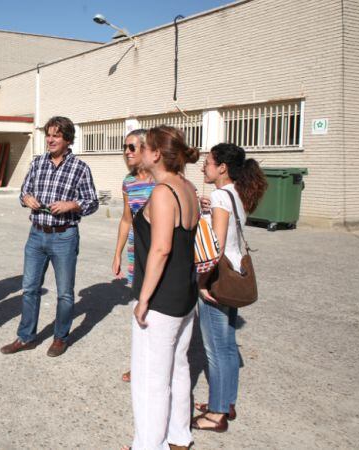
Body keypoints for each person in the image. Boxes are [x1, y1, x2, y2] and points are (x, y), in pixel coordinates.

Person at [123, 125, 200, 450]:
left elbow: (161, 248)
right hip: (185, 295)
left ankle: (148, 445)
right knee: (178, 368)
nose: (138, 152)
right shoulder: (188, 187)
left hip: (162, 299)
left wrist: (143, 299)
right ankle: (179, 436)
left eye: (144, 147)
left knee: (149, 380)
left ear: (155, 154)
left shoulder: (163, 192)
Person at [0, 116, 98, 358]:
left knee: (64, 292)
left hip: (64, 236)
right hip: (36, 236)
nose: (51, 139)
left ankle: (60, 338)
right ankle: (26, 337)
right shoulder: (37, 163)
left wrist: (72, 205)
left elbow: (93, 202)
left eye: (56, 135)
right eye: (49, 135)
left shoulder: (80, 168)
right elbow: (24, 191)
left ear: (67, 139)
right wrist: (26, 199)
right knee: (30, 288)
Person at [192, 143, 267, 432]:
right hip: (235, 274)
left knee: (217, 350)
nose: (203, 167)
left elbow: (216, 248)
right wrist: (210, 208)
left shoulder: (221, 196)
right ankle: (226, 402)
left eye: (208, 163)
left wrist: (201, 282)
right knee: (227, 346)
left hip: (218, 279)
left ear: (222, 167)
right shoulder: (235, 193)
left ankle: (217, 414)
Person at [111, 129, 155, 383]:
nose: (127, 152)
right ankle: (140, 364)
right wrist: (117, 254)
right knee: (138, 306)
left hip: (157, 252)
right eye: (125, 147)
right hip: (135, 252)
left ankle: (153, 365)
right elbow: (126, 219)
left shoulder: (162, 181)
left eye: (132, 147)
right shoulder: (129, 182)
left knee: (155, 309)